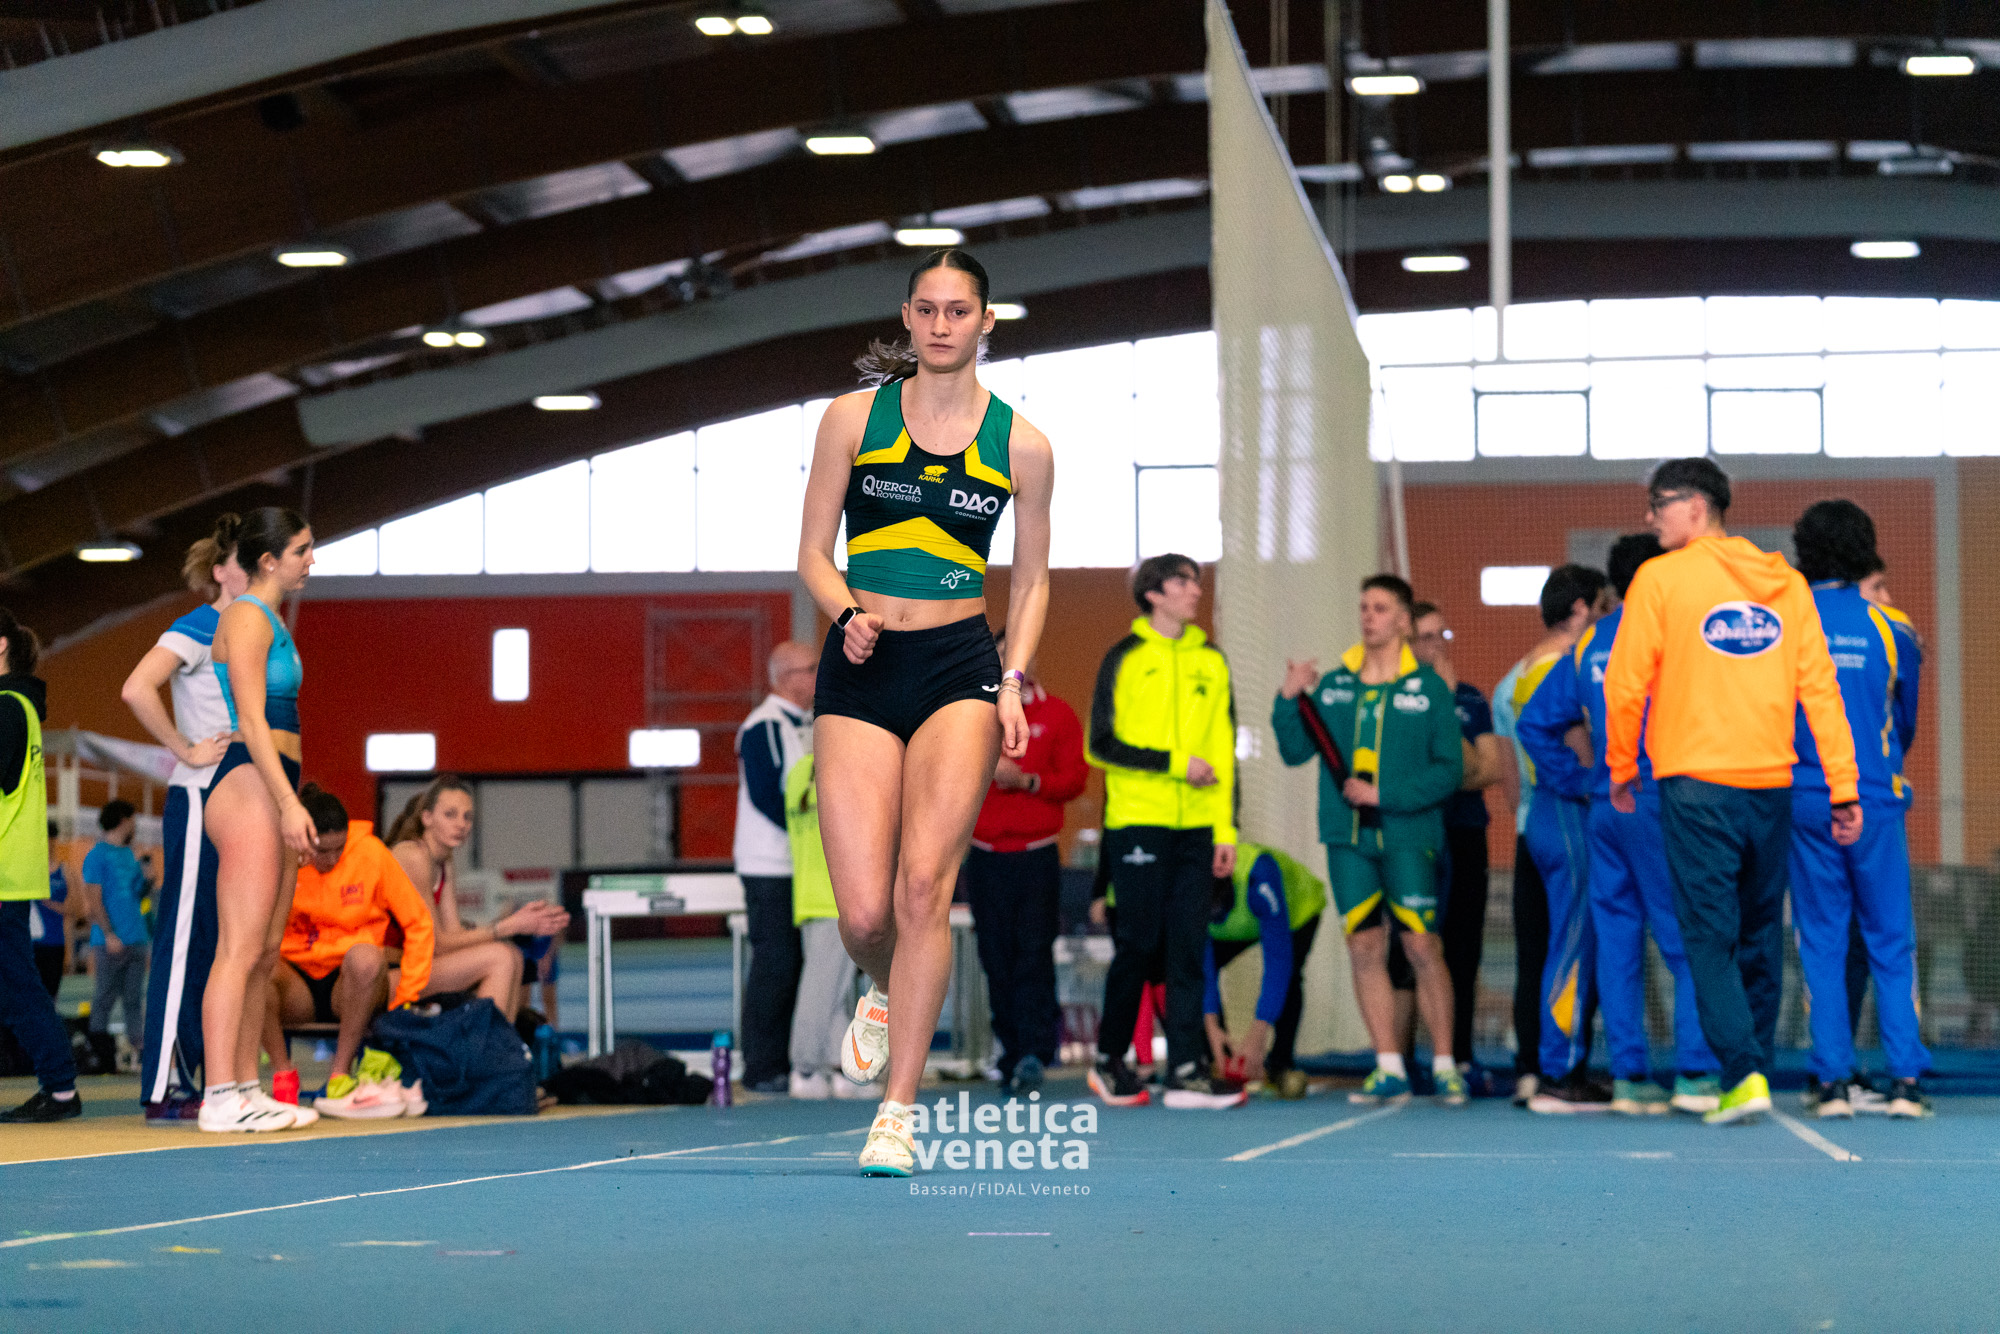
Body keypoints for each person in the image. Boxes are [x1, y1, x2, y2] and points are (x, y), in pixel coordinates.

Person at [796, 247, 1055, 1174]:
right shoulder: (851, 419)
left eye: (959, 310)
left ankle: (898, 1112)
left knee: (922, 891)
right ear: (907, 318)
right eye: (928, 309)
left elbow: (1032, 581)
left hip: (960, 668)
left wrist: (1014, 678)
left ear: (988, 321)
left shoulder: (1022, 445)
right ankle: (882, 985)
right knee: (867, 914)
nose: (943, 325)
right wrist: (847, 615)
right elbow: (812, 552)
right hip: (862, 664)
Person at [1604, 458, 1860, 1127]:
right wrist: (1843, 785)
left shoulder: (1660, 579)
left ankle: (1741, 1074)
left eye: (1658, 503)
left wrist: (1621, 766)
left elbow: (1625, 684)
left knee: (1707, 937)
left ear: (1695, 506)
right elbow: (1821, 691)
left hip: (1696, 786)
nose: (1649, 517)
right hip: (1771, 788)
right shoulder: (1786, 583)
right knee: (1758, 936)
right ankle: (1755, 1071)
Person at [1518, 536, 1721, 1116]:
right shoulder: (1678, 632)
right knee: (1685, 938)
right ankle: (1694, 1074)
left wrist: (1584, 780)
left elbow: (1534, 725)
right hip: (1661, 801)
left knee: (1616, 942)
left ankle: (1630, 1078)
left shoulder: (1591, 642)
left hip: (1609, 806)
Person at [1273, 574, 1467, 1106]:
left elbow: (1450, 770)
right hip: (1347, 839)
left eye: (1380, 608)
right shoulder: (1336, 685)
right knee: (1363, 945)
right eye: (1363, 607)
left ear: (1403, 620)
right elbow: (1294, 751)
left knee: (1421, 945)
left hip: (1408, 836)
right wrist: (1288, 698)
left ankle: (1446, 1064)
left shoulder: (1428, 688)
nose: (1368, 616)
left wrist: (1387, 795)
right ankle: (1387, 1065)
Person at [1085, 554, 1245, 1111]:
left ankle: (1186, 1070)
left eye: (1196, 582)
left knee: (1188, 949)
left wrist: (1226, 830)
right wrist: (1177, 764)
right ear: (1153, 594)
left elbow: (1225, 750)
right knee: (1138, 944)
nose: (1194, 590)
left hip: (1199, 829)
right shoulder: (1123, 658)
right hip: (1138, 824)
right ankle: (1109, 1060)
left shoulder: (1212, 661)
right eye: (1182, 582)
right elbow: (1100, 744)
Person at [1789, 500, 1929, 1119]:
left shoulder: (1784, 625)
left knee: (1820, 941)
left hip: (1805, 799)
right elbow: (1905, 720)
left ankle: (1832, 1084)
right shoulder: (1892, 629)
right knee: (1890, 940)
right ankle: (1906, 1083)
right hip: (1874, 798)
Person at [200, 509, 319, 1133]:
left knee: (266, 952)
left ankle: (246, 1086)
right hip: (248, 782)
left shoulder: (272, 619)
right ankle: (219, 1093)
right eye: (302, 550)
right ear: (269, 560)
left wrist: (290, 797)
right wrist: (288, 802)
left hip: (274, 783)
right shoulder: (246, 615)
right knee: (239, 947)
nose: (311, 560)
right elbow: (250, 719)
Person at [122, 533, 245, 1123]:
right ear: (220, 570)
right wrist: (184, 749)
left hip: (240, 802)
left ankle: (204, 1072)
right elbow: (136, 688)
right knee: (182, 940)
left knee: (221, 943)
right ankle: (163, 1080)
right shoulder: (199, 626)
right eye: (249, 561)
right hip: (199, 796)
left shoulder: (256, 632)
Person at [1493, 564, 1607, 1109]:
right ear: (1581, 609)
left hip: (1533, 822)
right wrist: (1586, 785)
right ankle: (1559, 1071)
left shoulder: (1511, 678)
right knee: (1572, 945)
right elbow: (1573, 745)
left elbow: (1507, 774)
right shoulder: (1565, 666)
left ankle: (1538, 1069)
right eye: (1602, 608)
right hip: (1565, 816)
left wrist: (1527, 816)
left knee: (1542, 951)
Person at [963, 629, 1087, 1095]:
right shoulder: (969, 716)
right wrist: (982, 770)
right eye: (1002, 653)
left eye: (1020, 653)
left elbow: (1075, 779)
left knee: (1034, 954)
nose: (1013, 661)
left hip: (1037, 856)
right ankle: (1009, 1052)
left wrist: (1028, 781)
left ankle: (1035, 1052)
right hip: (984, 857)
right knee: (995, 957)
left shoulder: (1056, 714)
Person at [268, 785, 432, 1120]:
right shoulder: (283, 855)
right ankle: (283, 1076)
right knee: (258, 967)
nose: (330, 860)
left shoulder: (371, 854)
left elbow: (418, 923)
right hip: (297, 983)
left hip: (350, 984)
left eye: (338, 849)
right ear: (304, 837)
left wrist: (407, 995)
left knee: (366, 957)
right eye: (320, 851)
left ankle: (339, 1076)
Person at [1410, 601, 1507, 1081]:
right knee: (1410, 946)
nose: (1436, 647)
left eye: (1441, 636)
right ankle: (1401, 1060)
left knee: (1464, 947)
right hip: (1414, 835)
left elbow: (1486, 770)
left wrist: (1445, 708)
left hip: (1465, 833)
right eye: (1426, 637)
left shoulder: (1468, 698)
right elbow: (1414, 772)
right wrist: (1451, 771)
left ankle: (1461, 1057)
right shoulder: (1396, 700)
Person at [388, 776, 568, 1021]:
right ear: (427, 818)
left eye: (467, 817)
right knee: (501, 958)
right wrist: (510, 925)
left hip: (413, 969)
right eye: (450, 815)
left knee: (513, 956)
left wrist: (526, 923)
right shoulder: (413, 856)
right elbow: (438, 945)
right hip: (384, 977)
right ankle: (485, 1044)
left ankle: (497, 1042)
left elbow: (453, 933)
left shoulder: (443, 860)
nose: (461, 824)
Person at [0, 610, 81, 1123]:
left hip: (3, 873)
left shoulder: (7, 707)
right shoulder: (19, 706)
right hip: (10, 871)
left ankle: (61, 1086)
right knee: (16, 984)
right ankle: (60, 1085)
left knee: (17, 985)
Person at [733, 640, 816, 1094]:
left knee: (797, 963)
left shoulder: (808, 724)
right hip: (771, 865)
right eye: (811, 668)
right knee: (775, 962)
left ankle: (785, 1059)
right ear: (786, 678)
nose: (819, 676)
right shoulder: (763, 725)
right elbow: (769, 796)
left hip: (801, 865)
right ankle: (762, 1065)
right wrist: (817, 833)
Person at [1202, 841, 1327, 1099]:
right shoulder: (1187, 889)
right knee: (1191, 976)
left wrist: (1258, 1034)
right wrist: (1211, 1026)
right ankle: (1220, 1058)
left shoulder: (1259, 877)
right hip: (1235, 923)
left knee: (1289, 977)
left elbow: (1278, 963)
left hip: (1296, 910)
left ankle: (1281, 1064)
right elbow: (1202, 967)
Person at [781, 747, 870, 1101]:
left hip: (809, 896)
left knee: (829, 990)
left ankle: (842, 1070)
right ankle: (804, 1067)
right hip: (838, 897)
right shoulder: (846, 775)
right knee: (820, 992)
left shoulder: (798, 774)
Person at [81, 800, 151, 1076]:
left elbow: (137, 895)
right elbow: (93, 900)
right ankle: (100, 1055)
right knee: (104, 998)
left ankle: (140, 1053)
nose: (134, 825)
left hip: (136, 938)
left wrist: (148, 879)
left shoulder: (130, 855)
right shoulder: (97, 855)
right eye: (132, 820)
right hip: (109, 941)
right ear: (123, 820)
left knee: (134, 999)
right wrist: (109, 934)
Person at [31, 823, 69, 998]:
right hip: (32, 944)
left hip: (55, 942)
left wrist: (48, 903)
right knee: (32, 996)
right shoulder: (30, 872)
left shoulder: (64, 871)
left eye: (51, 839)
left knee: (51, 995)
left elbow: (74, 911)